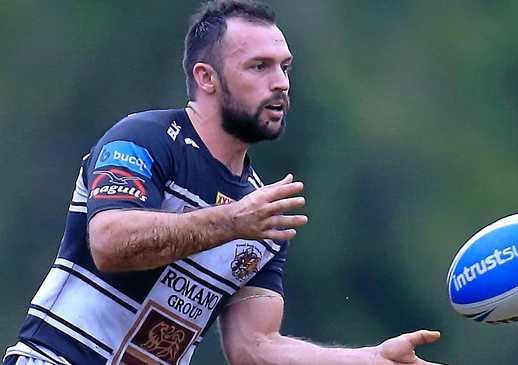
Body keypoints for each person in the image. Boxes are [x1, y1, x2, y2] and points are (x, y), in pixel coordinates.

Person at [3, 1, 444, 364]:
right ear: (206, 78)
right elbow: (109, 242)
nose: (281, 83)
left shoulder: (260, 211)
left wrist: (371, 359)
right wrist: (231, 222)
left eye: (285, 68)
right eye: (258, 67)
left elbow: (254, 348)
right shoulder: (145, 140)